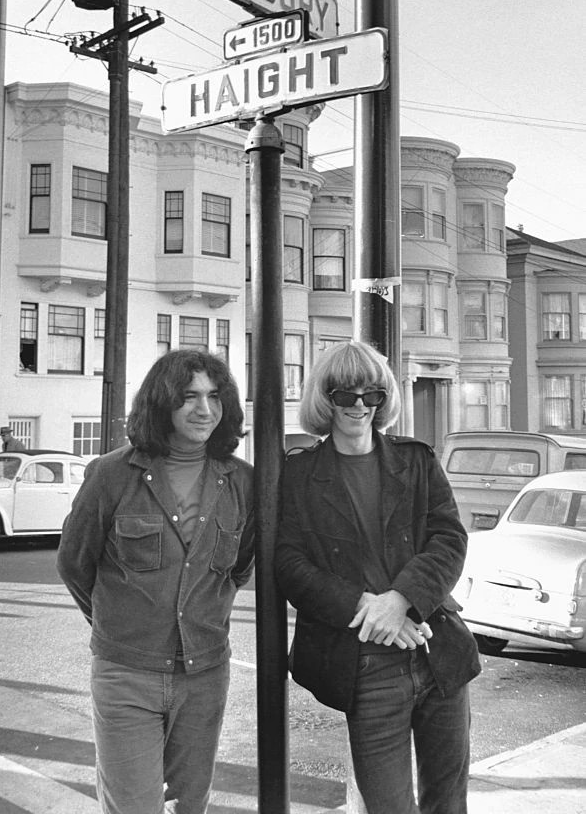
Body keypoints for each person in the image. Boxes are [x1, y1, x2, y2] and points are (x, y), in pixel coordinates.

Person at [275, 341, 481, 814]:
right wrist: (370, 607)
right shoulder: (300, 474)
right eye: (346, 396)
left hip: (439, 655)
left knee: (448, 803)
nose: (360, 407)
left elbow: (449, 538)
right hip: (366, 668)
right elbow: (289, 565)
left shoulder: (416, 460)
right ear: (325, 400)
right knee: (387, 806)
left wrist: (402, 599)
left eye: (371, 396)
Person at [57, 349, 254, 814]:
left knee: (190, 806)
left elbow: (239, 568)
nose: (204, 410)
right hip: (126, 676)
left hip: (204, 677)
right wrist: (119, 625)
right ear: (162, 402)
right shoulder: (111, 475)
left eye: (213, 396)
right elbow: (74, 564)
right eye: (188, 397)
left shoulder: (244, 482)